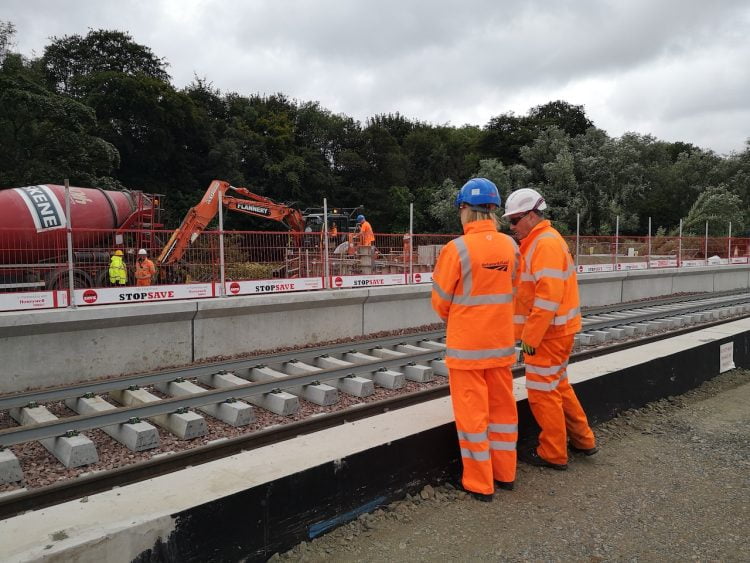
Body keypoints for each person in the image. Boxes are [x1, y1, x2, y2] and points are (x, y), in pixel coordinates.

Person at [431, 178, 521, 502]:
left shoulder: (456, 249)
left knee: (473, 417)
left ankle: (480, 484)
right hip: (500, 346)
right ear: (494, 211)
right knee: (502, 414)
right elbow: (515, 288)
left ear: (465, 210)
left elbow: (440, 300)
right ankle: (505, 474)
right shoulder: (511, 246)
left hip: (467, 348)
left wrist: (458, 315)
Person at [503, 187, 597, 471]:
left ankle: (553, 453)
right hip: (557, 331)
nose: (512, 226)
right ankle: (583, 440)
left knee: (543, 393)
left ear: (532, 215)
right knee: (559, 387)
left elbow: (547, 297)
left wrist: (530, 338)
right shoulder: (540, 241)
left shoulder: (544, 244)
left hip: (548, 334)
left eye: (515, 220)